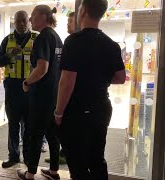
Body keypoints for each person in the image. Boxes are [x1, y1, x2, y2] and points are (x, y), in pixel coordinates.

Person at [54, 0, 125, 179]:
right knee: (96, 158)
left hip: (76, 110)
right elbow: (120, 78)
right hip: (101, 107)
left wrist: (58, 112)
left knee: (77, 162)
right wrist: (98, 79)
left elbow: (67, 82)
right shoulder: (112, 44)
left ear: (83, 11)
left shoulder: (73, 42)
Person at [17, 5, 63, 180]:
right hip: (54, 95)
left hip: (42, 95)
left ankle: (30, 174)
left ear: (44, 16)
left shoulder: (43, 37)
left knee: (35, 134)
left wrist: (27, 82)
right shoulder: (57, 38)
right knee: (52, 134)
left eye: (33, 16)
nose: (30, 20)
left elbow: (42, 68)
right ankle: (53, 171)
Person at [0, 10, 37, 168]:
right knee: (13, 123)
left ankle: (28, 157)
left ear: (29, 21)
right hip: (12, 87)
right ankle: (13, 156)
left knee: (28, 125)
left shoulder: (37, 38)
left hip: (30, 86)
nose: (21, 24)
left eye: (24, 21)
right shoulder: (7, 40)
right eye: (18, 21)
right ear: (14, 22)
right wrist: (9, 56)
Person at [44, 11, 76, 165]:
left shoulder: (71, 42)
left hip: (68, 97)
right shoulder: (61, 40)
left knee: (60, 131)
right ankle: (61, 158)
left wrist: (59, 110)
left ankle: (64, 157)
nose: (67, 24)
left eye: (70, 21)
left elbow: (66, 77)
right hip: (92, 102)